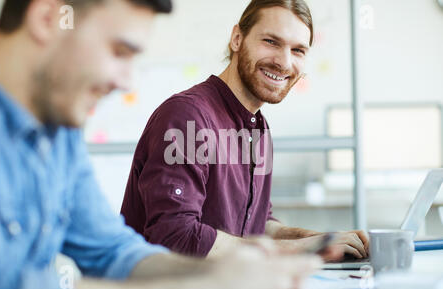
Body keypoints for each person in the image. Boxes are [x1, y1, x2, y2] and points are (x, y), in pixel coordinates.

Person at [0, 0, 321, 289]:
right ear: (48, 17)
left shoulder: (58, 134)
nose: (126, 81)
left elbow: (112, 251)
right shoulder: (189, 114)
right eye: (119, 51)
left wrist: (230, 273)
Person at [121, 0, 369, 259]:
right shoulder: (188, 117)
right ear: (237, 39)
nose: (284, 63)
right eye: (271, 42)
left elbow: (255, 225)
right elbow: (176, 236)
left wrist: (322, 241)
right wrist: (302, 248)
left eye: (298, 50)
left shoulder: (259, 129)